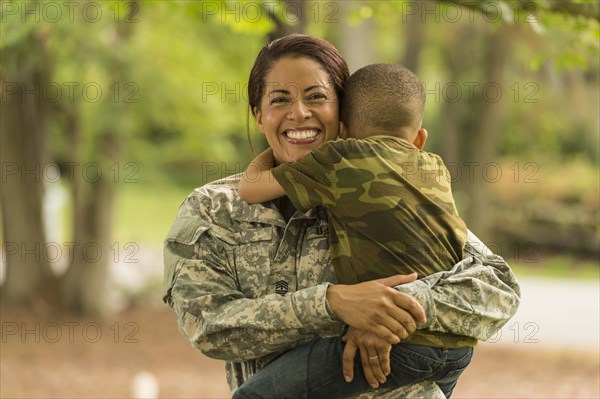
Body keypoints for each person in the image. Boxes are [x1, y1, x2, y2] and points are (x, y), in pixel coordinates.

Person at [163, 34, 521, 399]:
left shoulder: (384, 189)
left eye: (316, 97)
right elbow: (207, 324)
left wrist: (390, 310)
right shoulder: (213, 209)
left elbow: (498, 290)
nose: (299, 112)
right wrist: (332, 304)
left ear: (344, 113)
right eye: (279, 100)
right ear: (259, 116)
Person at [235, 63, 474, 398]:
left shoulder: (338, 160)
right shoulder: (434, 168)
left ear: (343, 129)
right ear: (420, 139)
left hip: (403, 342)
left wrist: (275, 147)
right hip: (458, 343)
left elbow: (249, 188)